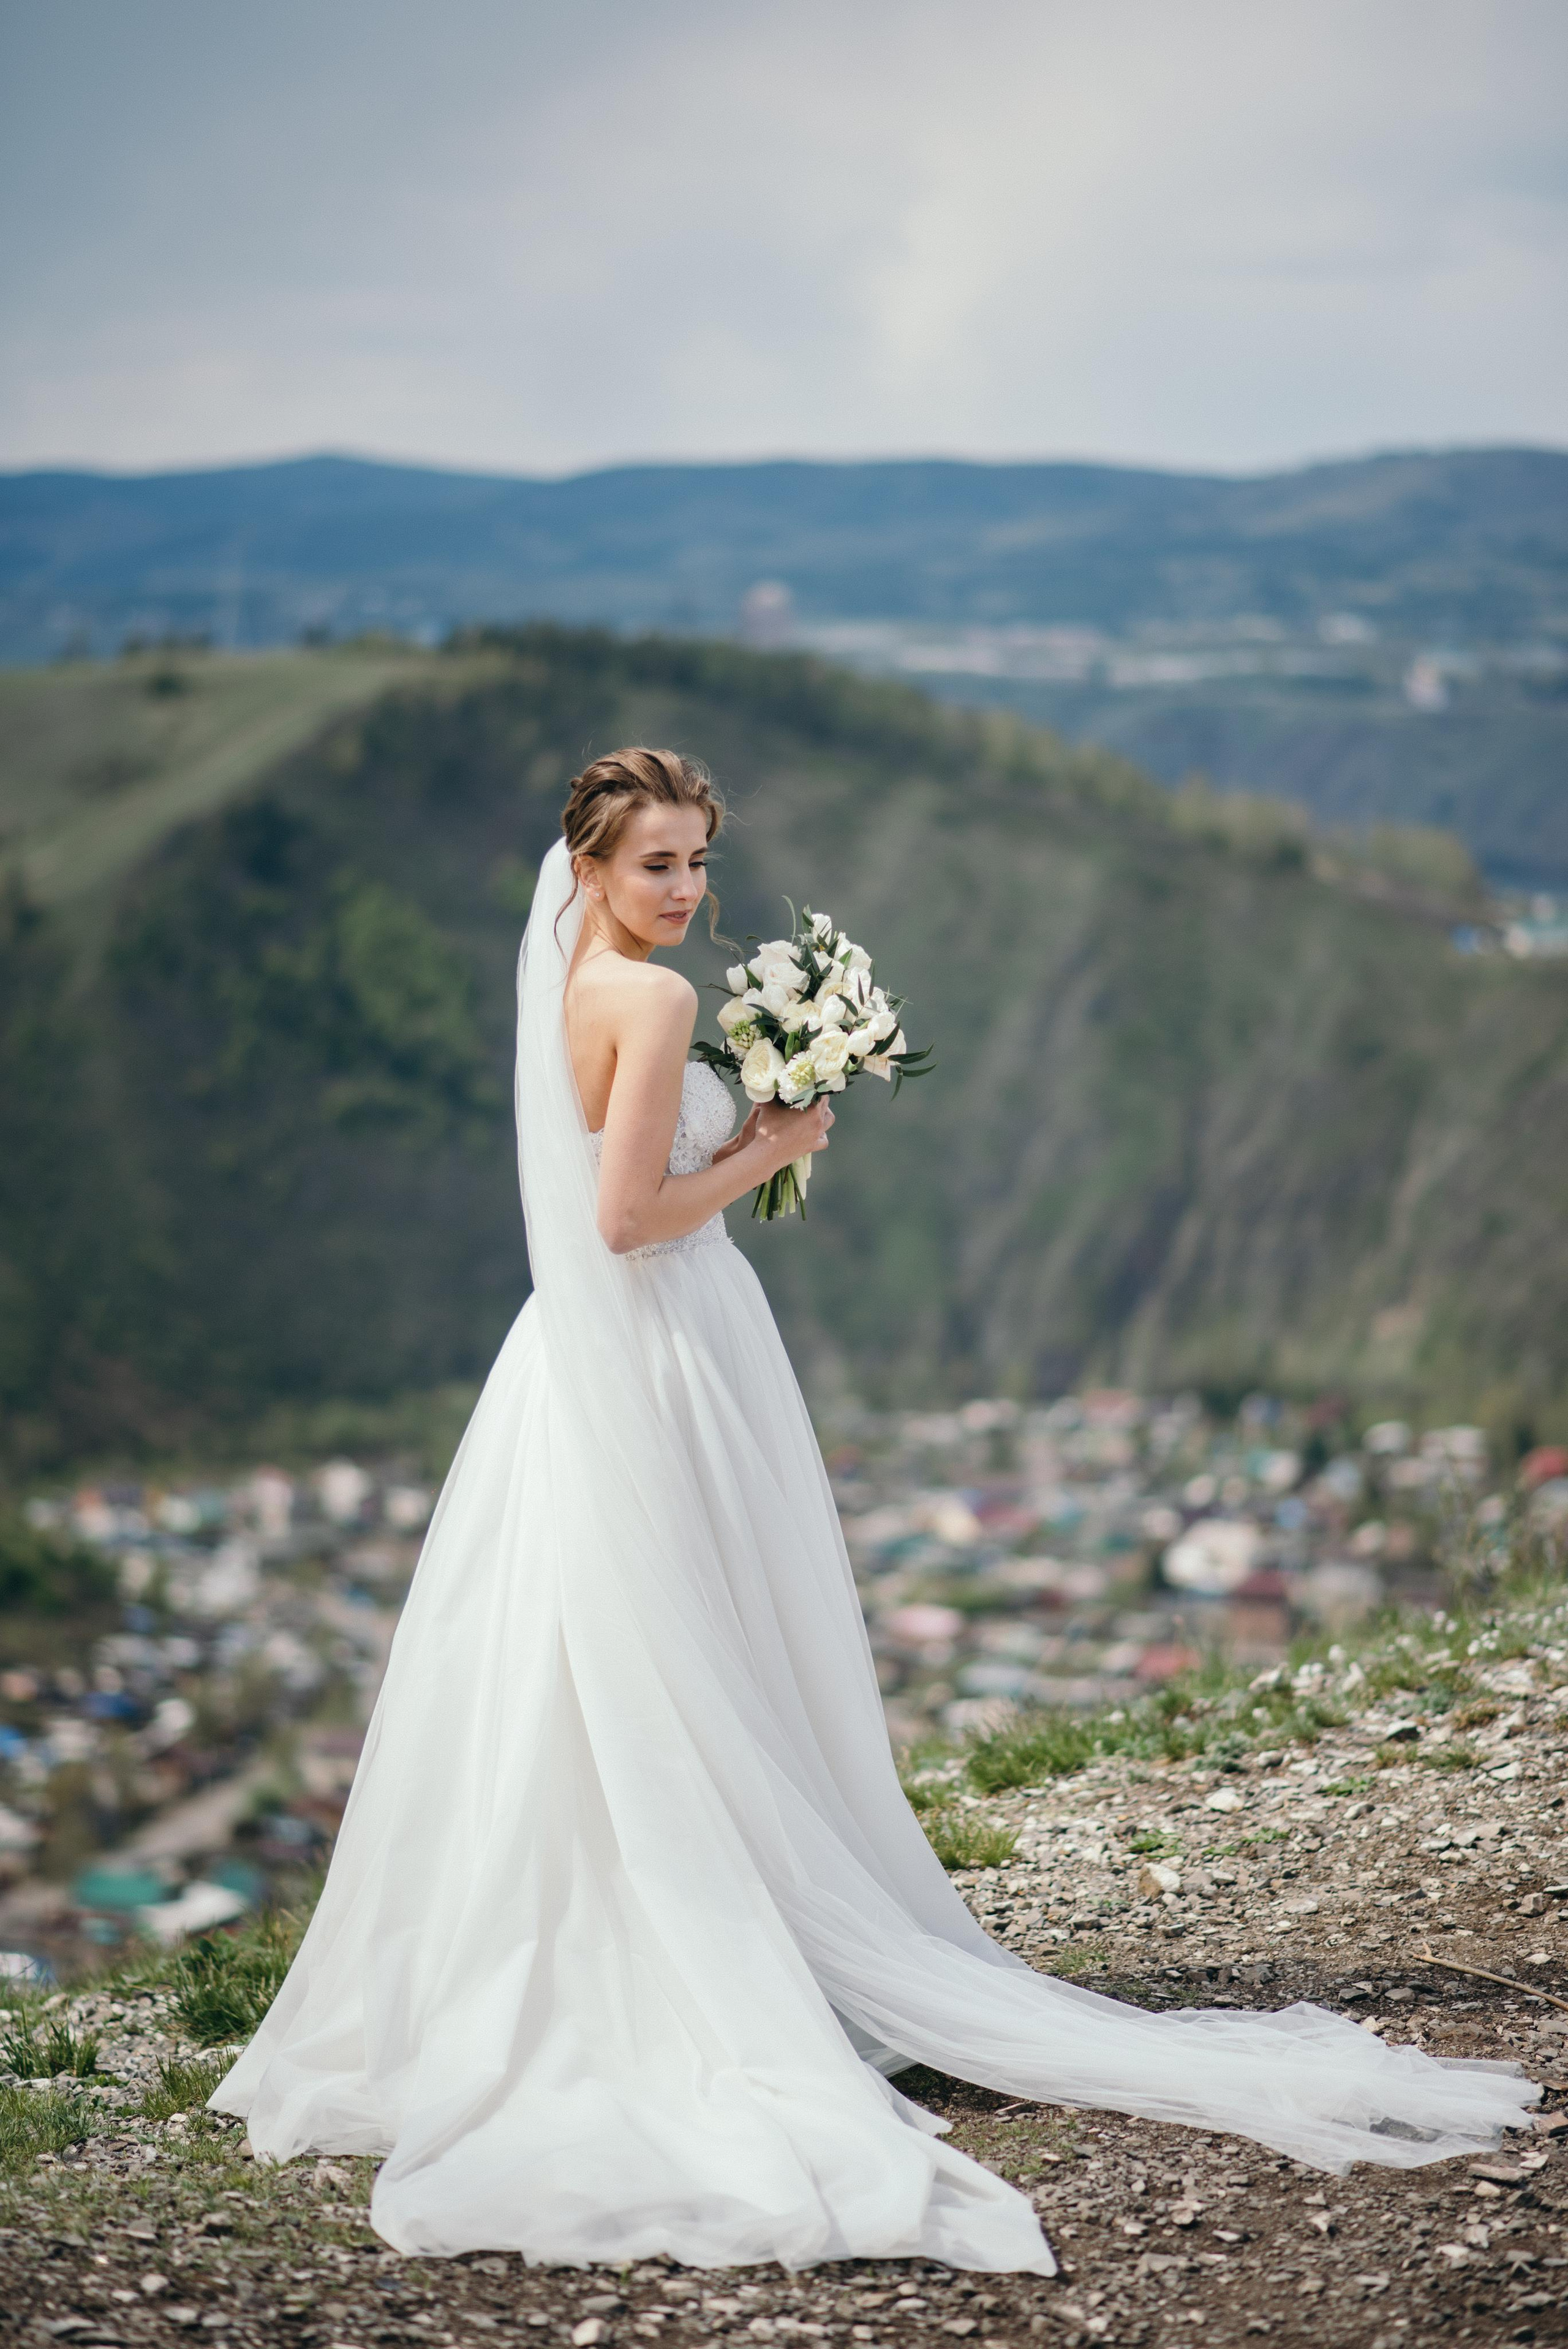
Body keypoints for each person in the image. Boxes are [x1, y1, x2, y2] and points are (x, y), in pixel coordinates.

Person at [214, 747, 1538, 2271]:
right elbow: (630, 1218)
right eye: (659, 864)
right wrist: (771, 1143)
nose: (688, 891)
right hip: (663, 1345)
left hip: (567, 1361)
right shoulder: (647, 1002)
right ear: (585, 865)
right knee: (689, 1637)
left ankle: (587, 1940)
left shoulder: (565, 989)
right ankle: (724, 1950)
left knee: (588, 1650)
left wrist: (758, 1121)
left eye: (700, 862)